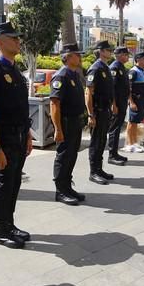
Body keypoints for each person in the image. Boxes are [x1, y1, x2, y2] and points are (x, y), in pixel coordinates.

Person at [0, 22, 33, 249]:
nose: (18, 41)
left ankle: (9, 224)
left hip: (19, 137)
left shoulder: (15, 72)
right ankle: (1, 231)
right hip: (4, 140)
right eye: (13, 38)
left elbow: (21, 109)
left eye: (18, 38)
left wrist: (28, 135)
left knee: (13, 183)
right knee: (3, 185)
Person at [50, 43, 86, 206]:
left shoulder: (74, 74)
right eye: (77, 54)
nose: (80, 57)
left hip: (75, 121)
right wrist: (57, 128)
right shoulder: (61, 76)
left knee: (72, 155)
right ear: (68, 57)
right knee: (64, 156)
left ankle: (68, 187)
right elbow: (54, 104)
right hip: (65, 122)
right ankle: (60, 191)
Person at [85, 40, 117, 185]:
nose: (110, 52)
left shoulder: (105, 68)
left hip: (105, 110)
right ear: (101, 51)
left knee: (102, 140)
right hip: (97, 111)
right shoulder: (95, 68)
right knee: (96, 142)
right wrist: (91, 114)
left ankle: (99, 169)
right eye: (108, 50)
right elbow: (88, 93)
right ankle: (93, 172)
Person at [107, 47, 131, 166]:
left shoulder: (121, 67)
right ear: (120, 55)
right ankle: (111, 155)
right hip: (117, 104)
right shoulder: (114, 67)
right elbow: (112, 88)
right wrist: (114, 104)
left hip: (122, 103)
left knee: (118, 128)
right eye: (126, 55)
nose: (127, 57)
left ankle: (115, 153)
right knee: (114, 129)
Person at [124, 52, 144, 153]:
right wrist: (131, 102)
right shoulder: (133, 72)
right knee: (131, 122)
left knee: (135, 123)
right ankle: (129, 144)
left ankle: (134, 143)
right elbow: (128, 89)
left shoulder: (142, 71)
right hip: (135, 100)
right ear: (138, 60)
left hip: (141, 101)